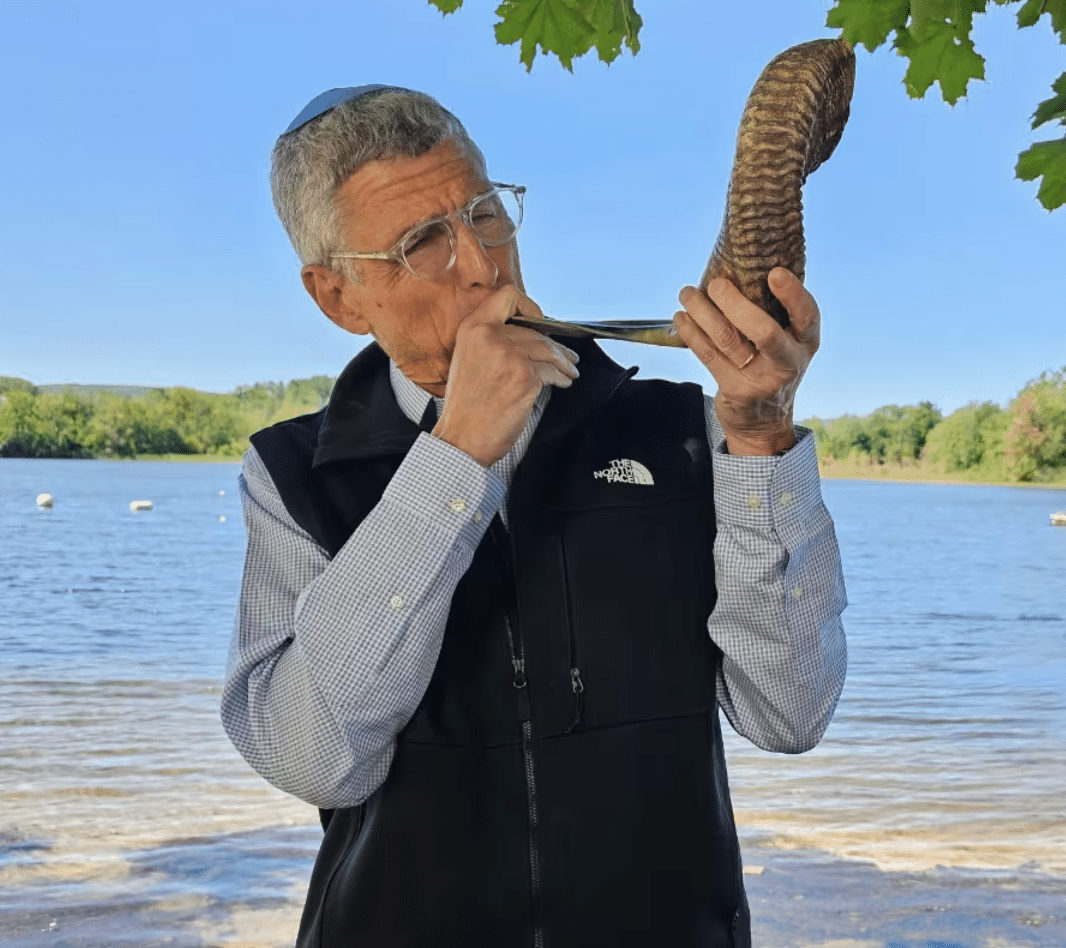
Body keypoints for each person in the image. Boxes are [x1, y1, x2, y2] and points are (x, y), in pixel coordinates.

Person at [221, 85, 848, 948]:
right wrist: (459, 453)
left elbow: (789, 712)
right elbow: (312, 757)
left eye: (484, 213)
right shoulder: (291, 475)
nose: (482, 265)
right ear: (339, 298)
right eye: (421, 243)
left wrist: (761, 432)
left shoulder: (684, 434)